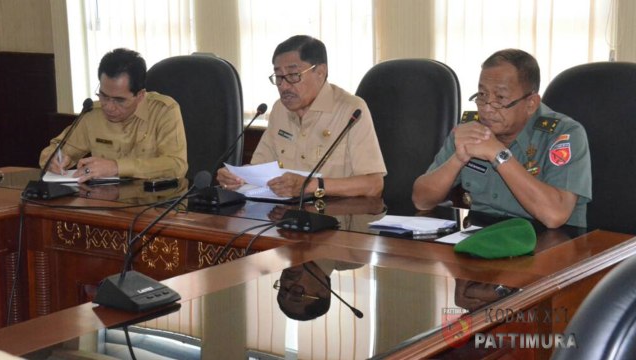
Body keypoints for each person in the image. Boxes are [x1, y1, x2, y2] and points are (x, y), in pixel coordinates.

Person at [412, 49, 591, 229]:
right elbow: (421, 201)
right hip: (484, 240)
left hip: (552, 245)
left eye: (500, 98)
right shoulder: (471, 130)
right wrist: (458, 158)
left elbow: (554, 215)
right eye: (482, 95)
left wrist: (498, 154)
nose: (487, 109)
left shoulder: (563, 135)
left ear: (531, 104)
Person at [217, 35, 386, 198]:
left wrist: (310, 185)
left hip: (335, 217)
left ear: (320, 72)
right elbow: (259, 168)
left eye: (293, 75)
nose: (283, 86)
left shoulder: (351, 110)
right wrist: (236, 177)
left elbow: (374, 185)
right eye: (278, 76)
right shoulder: (279, 109)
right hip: (282, 215)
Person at [39, 48, 188, 183]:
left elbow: (176, 165)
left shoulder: (164, 111)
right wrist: (53, 160)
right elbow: (56, 150)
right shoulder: (92, 114)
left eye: (119, 100)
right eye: (103, 96)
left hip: (152, 204)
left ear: (141, 95)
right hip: (105, 203)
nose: (109, 107)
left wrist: (116, 167)